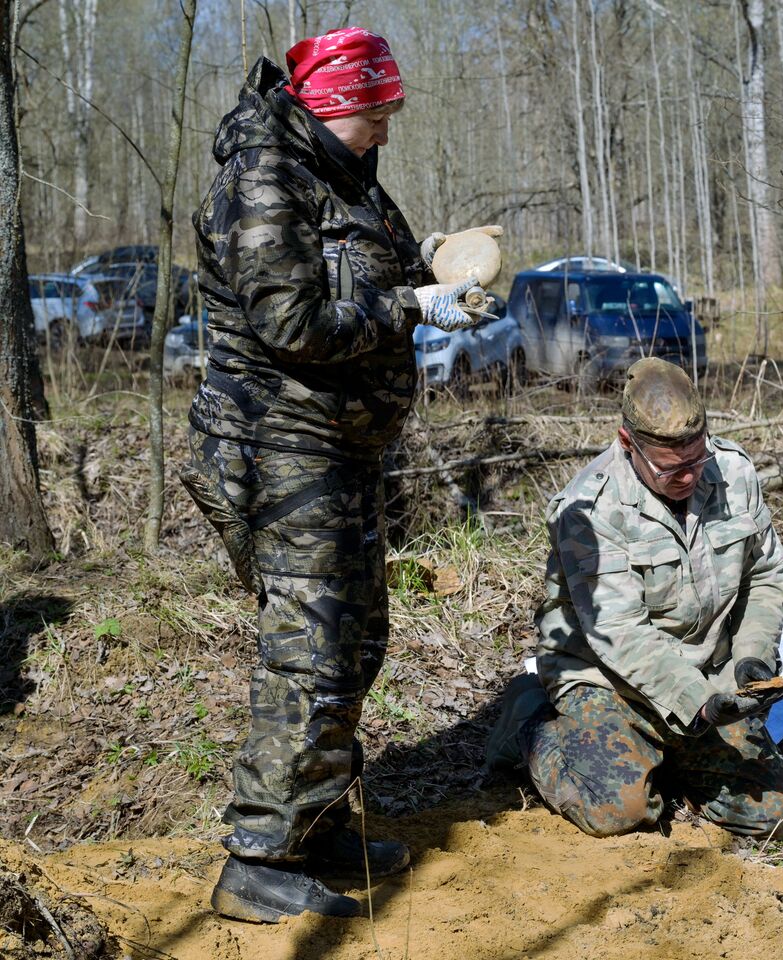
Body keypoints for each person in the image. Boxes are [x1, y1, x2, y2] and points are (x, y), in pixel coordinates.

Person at [181, 27, 487, 922]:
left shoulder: (339, 169)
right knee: (311, 647)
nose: (386, 129)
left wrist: (439, 265)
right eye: (378, 112)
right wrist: (411, 306)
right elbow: (293, 321)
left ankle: (312, 824)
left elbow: (378, 261)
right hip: (276, 446)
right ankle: (257, 858)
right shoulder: (262, 176)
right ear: (333, 102)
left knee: (357, 640)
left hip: (341, 450)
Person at [487, 358, 783, 841]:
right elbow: (620, 633)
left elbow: (764, 576)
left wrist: (750, 660)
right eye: (669, 467)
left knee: (775, 816)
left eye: (696, 460)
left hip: (706, 678)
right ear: (626, 442)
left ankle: (666, 754)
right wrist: (697, 703)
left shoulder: (735, 473)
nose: (688, 478)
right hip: (607, 677)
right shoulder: (589, 510)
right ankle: (528, 722)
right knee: (621, 812)